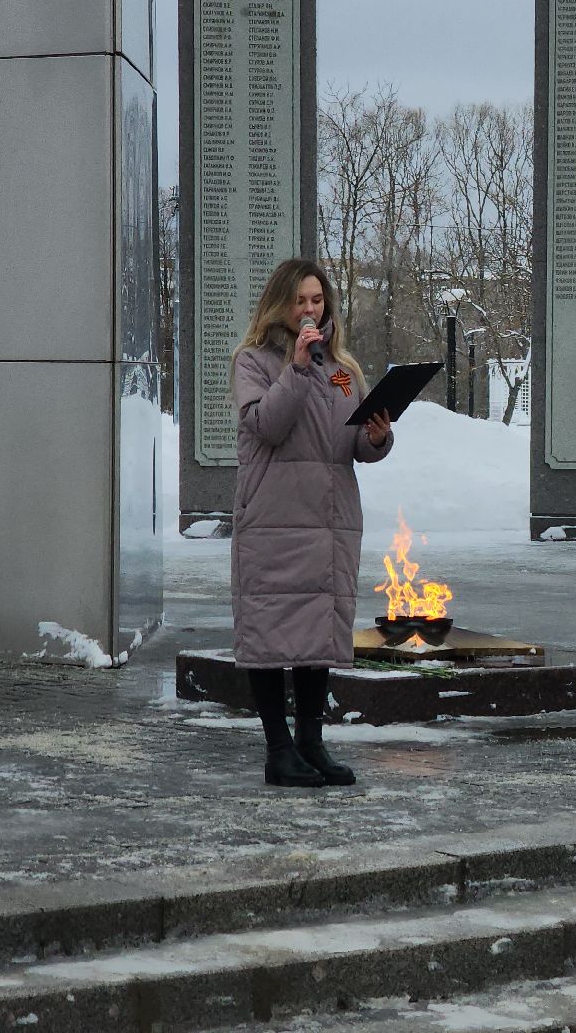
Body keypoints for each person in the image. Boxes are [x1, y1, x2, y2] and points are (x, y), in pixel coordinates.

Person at [231, 258, 394, 786]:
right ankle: (278, 752)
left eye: (317, 301)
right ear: (280, 304)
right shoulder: (254, 363)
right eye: (300, 301)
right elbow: (268, 424)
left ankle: (311, 745)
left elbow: (351, 443)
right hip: (275, 520)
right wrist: (297, 368)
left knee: (315, 631)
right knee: (270, 630)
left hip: (327, 521)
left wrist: (376, 436)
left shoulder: (340, 367)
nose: (309, 310)